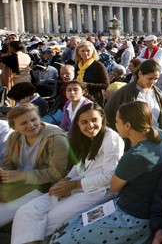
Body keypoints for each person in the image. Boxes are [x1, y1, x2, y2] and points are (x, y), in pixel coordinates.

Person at [49, 101, 162, 244]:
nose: (114, 125)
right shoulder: (159, 134)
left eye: (117, 121)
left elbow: (114, 187)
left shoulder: (134, 156)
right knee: (70, 227)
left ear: (127, 126)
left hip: (130, 215)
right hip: (138, 207)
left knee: (63, 237)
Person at [12, 103, 124, 244]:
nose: (90, 125)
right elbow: (79, 167)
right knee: (26, 211)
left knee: (47, 221)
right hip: (77, 186)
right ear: (77, 123)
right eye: (84, 122)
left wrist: (73, 184)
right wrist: (64, 181)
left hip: (98, 191)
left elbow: (110, 176)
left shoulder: (111, 139)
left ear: (102, 118)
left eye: (94, 120)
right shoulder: (85, 138)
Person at [0, 104, 69, 228]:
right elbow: (8, 163)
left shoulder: (56, 138)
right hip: (17, 185)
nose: (31, 125)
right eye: (23, 123)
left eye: (33, 120)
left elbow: (57, 172)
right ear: (13, 126)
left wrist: (21, 176)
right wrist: (5, 172)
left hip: (42, 188)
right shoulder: (14, 137)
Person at [105, 59, 162, 129]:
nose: (152, 82)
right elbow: (107, 117)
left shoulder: (158, 93)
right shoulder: (124, 93)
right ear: (140, 74)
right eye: (149, 78)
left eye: (155, 79)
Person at [72, 40, 109, 105]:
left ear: (93, 52)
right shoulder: (77, 66)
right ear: (78, 52)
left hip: (94, 99)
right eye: (82, 51)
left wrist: (87, 85)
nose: (85, 53)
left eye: (88, 51)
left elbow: (106, 84)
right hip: (79, 98)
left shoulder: (98, 66)